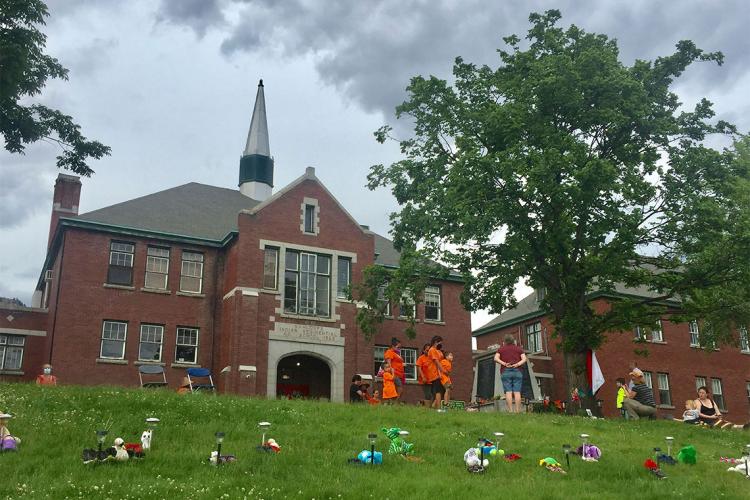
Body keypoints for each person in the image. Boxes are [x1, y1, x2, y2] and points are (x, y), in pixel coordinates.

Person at [494, 335, 527, 413]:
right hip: (517, 371)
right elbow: (524, 359)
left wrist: (504, 364)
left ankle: (510, 411)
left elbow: (495, 358)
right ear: (513, 341)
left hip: (505, 371)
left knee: (508, 392)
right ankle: (517, 411)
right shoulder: (518, 349)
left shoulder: (501, 349)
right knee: (517, 392)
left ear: (504, 342)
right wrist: (518, 364)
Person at [427, 336, 446, 409]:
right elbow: (436, 361)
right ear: (436, 342)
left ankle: (433, 406)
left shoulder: (438, 350)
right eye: (440, 342)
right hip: (434, 372)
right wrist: (442, 370)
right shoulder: (432, 350)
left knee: (443, 390)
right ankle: (438, 408)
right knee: (438, 390)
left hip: (439, 372)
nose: (441, 344)